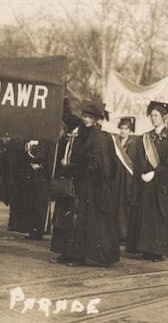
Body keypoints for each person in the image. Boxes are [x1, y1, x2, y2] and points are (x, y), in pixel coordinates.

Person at [49, 100, 119, 266]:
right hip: (73, 182)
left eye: (90, 117)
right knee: (65, 218)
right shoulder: (78, 133)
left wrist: (76, 168)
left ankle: (77, 255)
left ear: (96, 119)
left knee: (78, 221)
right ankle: (65, 252)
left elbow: (99, 164)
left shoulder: (98, 136)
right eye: (85, 116)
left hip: (87, 186)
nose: (86, 119)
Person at [131, 101, 168, 262]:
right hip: (146, 182)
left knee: (158, 216)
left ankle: (157, 251)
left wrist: (155, 173)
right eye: (151, 115)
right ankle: (146, 248)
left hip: (160, 184)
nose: (153, 118)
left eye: (156, 115)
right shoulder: (146, 137)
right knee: (146, 215)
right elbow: (139, 157)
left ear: (164, 117)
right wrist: (143, 171)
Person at [16, 139, 54, 239]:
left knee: (40, 203)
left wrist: (41, 166)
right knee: (30, 203)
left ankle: (40, 229)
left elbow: (51, 159)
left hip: (42, 177)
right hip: (30, 176)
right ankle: (31, 229)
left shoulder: (47, 142)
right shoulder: (27, 142)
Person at [112, 117, 139, 242]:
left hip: (128, 178)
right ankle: (115, 232)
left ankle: (125, 233)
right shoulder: (114, 142)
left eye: (126, 129)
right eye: (121, 128)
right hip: (115, 177)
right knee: (115, 203)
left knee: (125, 204)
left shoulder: (133, 144)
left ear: (130, 131)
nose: (123, 131)